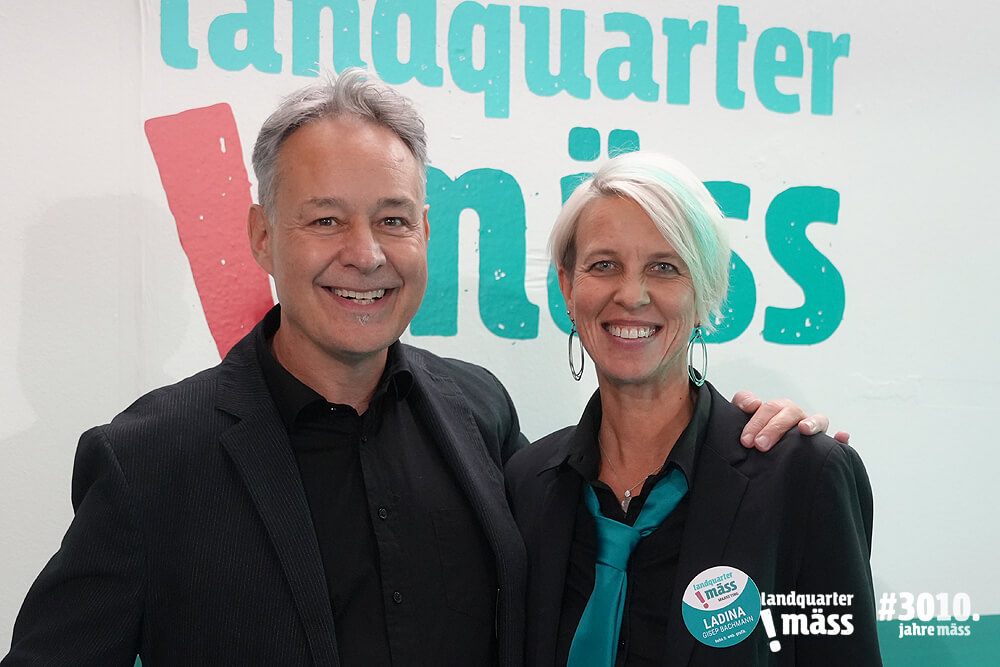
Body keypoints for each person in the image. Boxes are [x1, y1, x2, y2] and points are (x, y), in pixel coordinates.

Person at [3, 72, 835, 666]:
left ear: (426, 232)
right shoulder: (148, 461)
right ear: (261, 235)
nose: (365, 254)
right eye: (326, 220)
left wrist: (776, 445)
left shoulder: (482, 417)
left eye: (393, 219)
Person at [505, 152, 880, 666]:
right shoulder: (527, 485)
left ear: (705, 292)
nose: (632, 294)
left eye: (664, 267)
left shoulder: (802, 478)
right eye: (604, 264)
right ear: (569, 288)